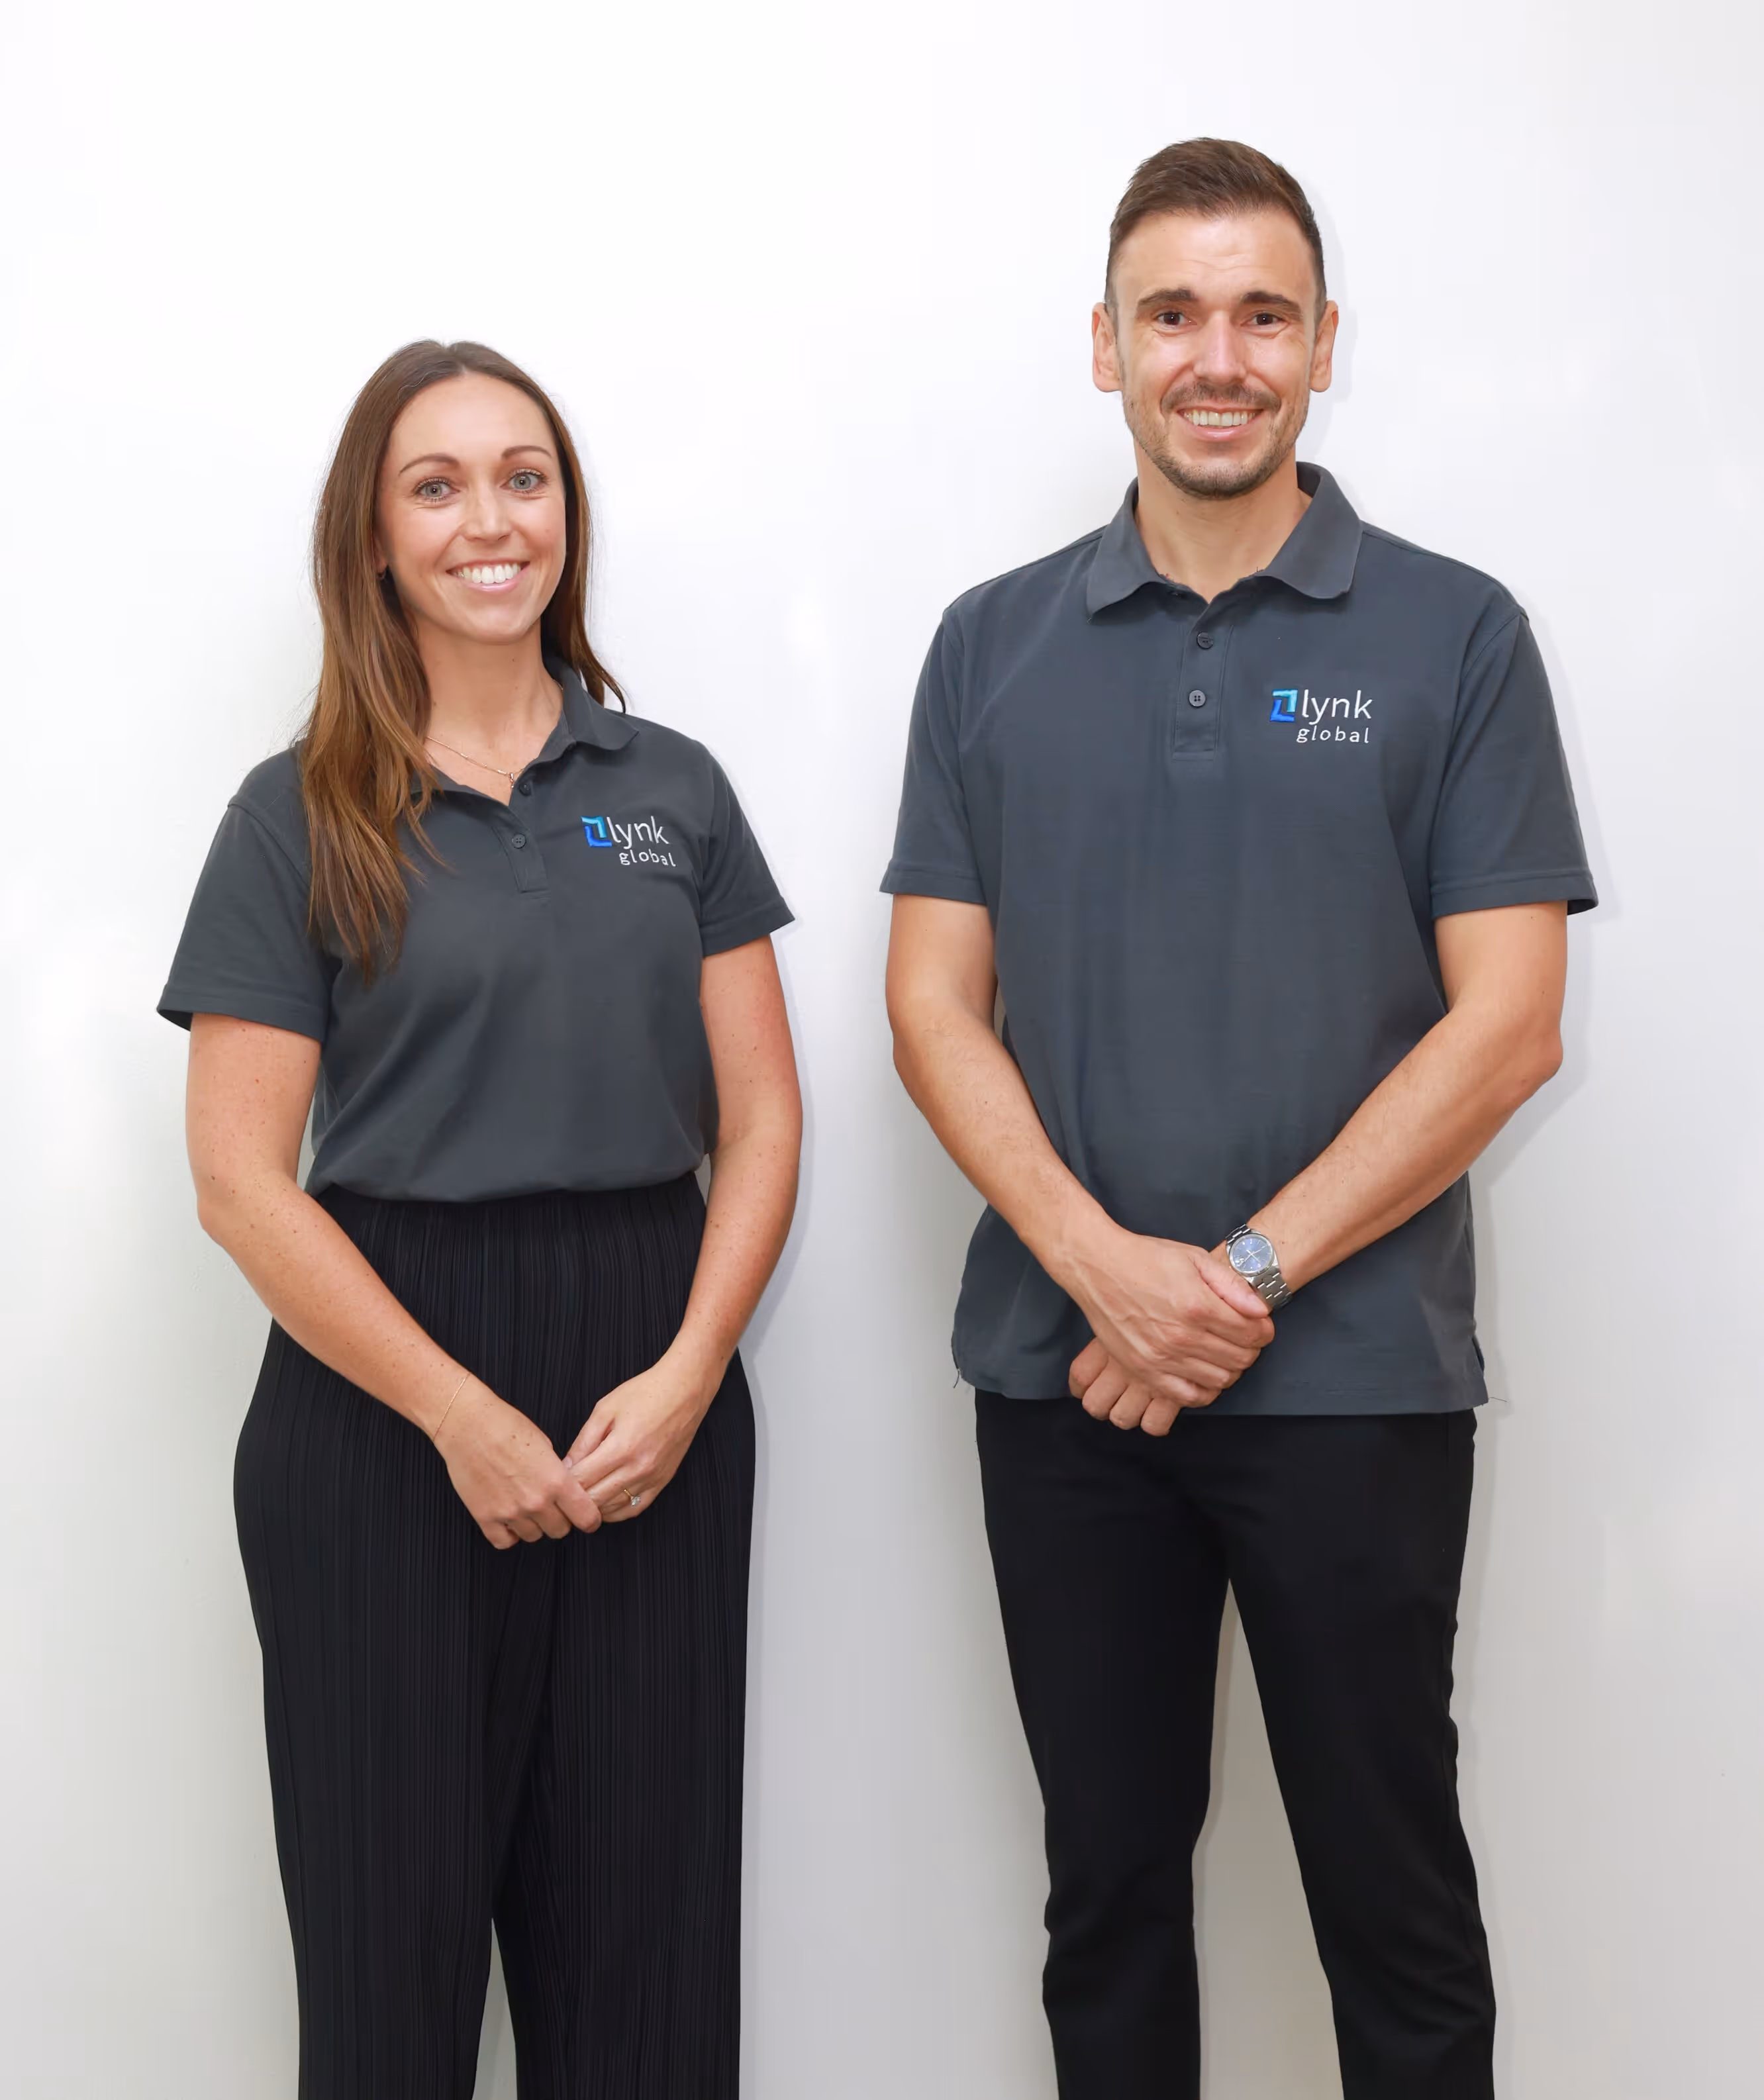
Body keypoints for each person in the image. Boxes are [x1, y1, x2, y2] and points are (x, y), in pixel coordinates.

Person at [883, 138, 1594, 2100]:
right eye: (1173, 314)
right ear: (1103, 350)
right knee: (1105, 1897)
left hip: (1355, 1379)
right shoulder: (988, 643)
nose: (1221, 354)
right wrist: (1108, 1274)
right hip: (1065, 1382)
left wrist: (1246, 1272)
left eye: (1262, 312)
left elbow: (1510, 1021)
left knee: (1396, 1905)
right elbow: (933, 1008)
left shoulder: (1454, 634)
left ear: (1326, 344)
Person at [160, 340, 801, 2099]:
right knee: (390, 1965)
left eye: (525, 475)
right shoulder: (298, 812)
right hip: (383, 1381)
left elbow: (761, 1123)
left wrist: (689, 1369)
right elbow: (237, 1176)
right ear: (373, 538)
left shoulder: (673, 789)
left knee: (646, 1977)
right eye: (436, 485)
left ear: (567, 514)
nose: (490, 518)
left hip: (648, 1379)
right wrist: (450, 1405)